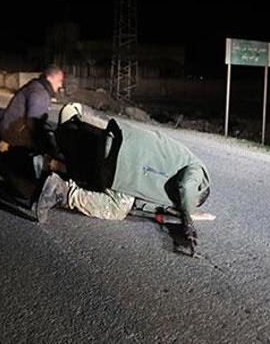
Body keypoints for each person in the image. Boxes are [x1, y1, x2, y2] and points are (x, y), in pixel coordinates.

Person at [34, 103, 211, 253]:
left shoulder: (178, 163)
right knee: (119, 207)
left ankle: (53, 160)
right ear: (200, 191)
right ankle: (62, 192)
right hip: (126, 160)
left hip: (119, 141)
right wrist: (187, 217)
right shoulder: (199, 173)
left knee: (98, 176)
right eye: (192, 202)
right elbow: (186, 186)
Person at [0, 65, 64, 202]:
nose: (61, 85)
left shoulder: (36, 86)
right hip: (12, 139)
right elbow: (34, 126)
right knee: (45, 155)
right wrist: (51, 149)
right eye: (59, 80)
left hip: (7, 134)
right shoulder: (40, 93)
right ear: (50, 77)